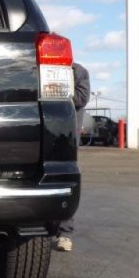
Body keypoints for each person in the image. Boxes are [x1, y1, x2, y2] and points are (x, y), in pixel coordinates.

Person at [56, 61, 90, 252]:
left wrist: (53, 90)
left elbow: (82, 98)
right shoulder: (34, 70)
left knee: (65, 181)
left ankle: (65, 233)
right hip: (41, 133)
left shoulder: (79, 71)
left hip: (67, 137)